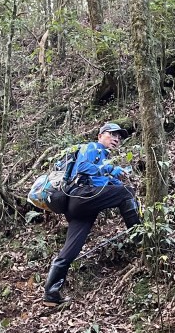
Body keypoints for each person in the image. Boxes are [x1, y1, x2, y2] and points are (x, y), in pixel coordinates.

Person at [42, 122, 141, 306]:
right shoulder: (92, 148)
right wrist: (111, 170)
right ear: (100, 135)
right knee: (126, 193)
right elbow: (83, 167)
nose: (116, 139)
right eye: (112, 134)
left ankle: (51, 293)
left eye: (119, 137)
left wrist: (115, 179)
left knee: (72, 247)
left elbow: (102, 182)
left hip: (81, 207)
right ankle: (141, 239)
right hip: (81, 196)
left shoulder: (103, 158)